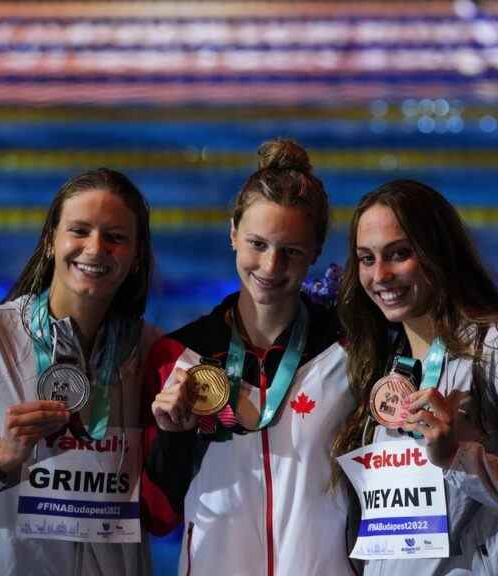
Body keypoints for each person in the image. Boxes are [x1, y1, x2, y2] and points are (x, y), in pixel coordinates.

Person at [332, 179, 498, 575]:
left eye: (399, 254)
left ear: (438, 253)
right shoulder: (387, 362)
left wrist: (460, 459)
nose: (380, 275)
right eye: (367, 259)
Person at [0, 168, 160, 575]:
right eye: (79, 230)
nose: (95, 248)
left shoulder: (152, 352)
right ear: (51, 240)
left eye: (115, 237)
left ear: (137, 255)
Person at [143, 139, 356, 575]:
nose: (271, 266)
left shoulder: (350, 351)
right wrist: (174, 436)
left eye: (291, 251)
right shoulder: (179, 355)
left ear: (315, 252)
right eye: (257, 243)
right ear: (233, 233)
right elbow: (158, 515)